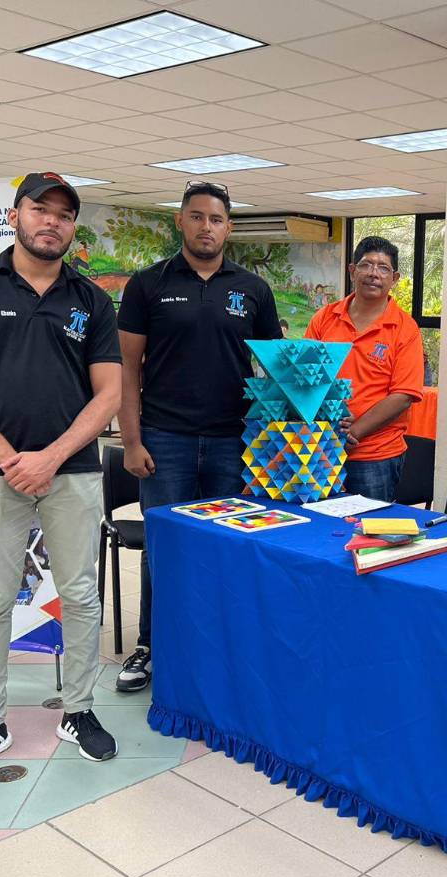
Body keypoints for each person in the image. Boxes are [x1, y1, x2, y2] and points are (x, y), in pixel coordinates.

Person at [0, 172, 123, 782]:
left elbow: (109, 395)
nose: (52, 222)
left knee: (81, 596)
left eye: (65, 215)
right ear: (14, 216)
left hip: (72, 473)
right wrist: (11, 456)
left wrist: (50, 457)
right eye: (40, 209)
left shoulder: (91, 299)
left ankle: (80, 710)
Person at [115, 180, 279, 693]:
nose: (206, 227)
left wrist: (279, 441)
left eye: (216, 219)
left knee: (225, 547)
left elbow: (274, 372)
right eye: (197, 217)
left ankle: (217, 647)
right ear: (180, 222)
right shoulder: (148, 284)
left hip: (235, 443)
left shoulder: (253, 290)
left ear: (229, 227)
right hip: (165, 441)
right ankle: (152, 645)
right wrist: (132, 440)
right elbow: (126, 366)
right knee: (165, 548)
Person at [304, 236, 424, 502]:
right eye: (366, 264)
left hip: (375, 455)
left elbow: (403, 395)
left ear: (394, 278)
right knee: (317, 529)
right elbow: (307, 377)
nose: (373, 273)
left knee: (368, 534)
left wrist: (353, 432)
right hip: (320, 447)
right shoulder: (324, 319)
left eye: (383, 268)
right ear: (351, 270)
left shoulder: (405, 329)